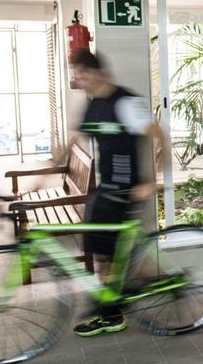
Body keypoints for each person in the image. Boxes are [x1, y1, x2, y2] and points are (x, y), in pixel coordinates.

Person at [65, 48, 163, 336]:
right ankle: (114, 305)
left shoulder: (126, 102)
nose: (79, 80)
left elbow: (160, 138)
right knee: (102, 252)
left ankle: (111, 311)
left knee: (109, 254)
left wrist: (153, 181)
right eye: (76, 75)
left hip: (126, 190)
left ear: (98, 72)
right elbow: (73, 139)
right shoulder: (93, 105)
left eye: (82, 74)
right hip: (106, 189)